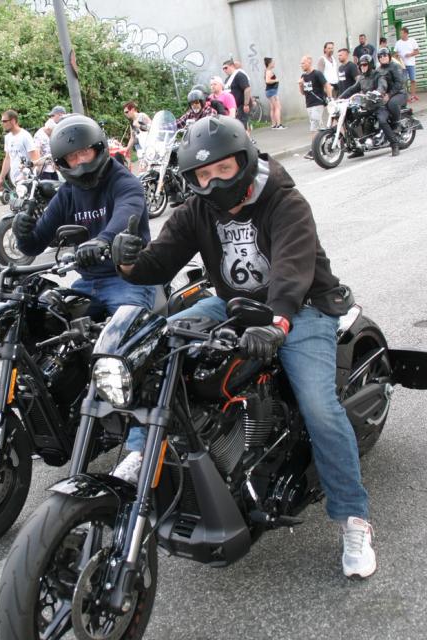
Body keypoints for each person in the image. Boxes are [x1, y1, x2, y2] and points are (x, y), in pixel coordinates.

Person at [111, 115, 377, 580]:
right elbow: (160, 262)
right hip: (231, 302)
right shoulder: (197, 209)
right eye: (202, 174)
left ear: (244, 161)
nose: (213, 182)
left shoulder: (284, 200)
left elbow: (292, 270)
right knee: (156, 347)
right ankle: (139, 453)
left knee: (319, 406)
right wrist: (129, 261)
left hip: (301, 307)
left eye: (223, 169)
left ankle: (353, 518)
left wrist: (277, 322)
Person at [12, 114, 156, 479]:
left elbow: (126, 217)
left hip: (131, 280)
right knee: (45, 327)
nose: (80, 162)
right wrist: (23, 230)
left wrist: (103, 241)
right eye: (71, 158)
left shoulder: (124, 183)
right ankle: (61, 419)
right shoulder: (67, 194)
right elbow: (34, 243)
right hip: (87, 283)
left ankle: (141, 448)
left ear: (99, 149)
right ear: (61, 163)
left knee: (131, 351)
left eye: (85, 153)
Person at [339, 54, 384, 158]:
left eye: (365, 65)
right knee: (350, 119)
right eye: (361, 65)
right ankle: (358, 148)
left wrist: (377, 92)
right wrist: (340, 98)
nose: (362, 67)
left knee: (382, 121)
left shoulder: (377, 75)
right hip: (366, 104)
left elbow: (382, 86)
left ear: (370, 65)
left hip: (376, 104)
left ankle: (394, 144)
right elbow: (352, 89)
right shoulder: (361, 78)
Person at [0, 109, 40, 191]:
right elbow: (7, 158)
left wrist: (25, 176)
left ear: (13, 121)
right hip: (15, 180)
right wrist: (1, 178)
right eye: (2, 121)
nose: (2, 124)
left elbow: (35, 159)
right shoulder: (8, 138)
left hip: (27, 180)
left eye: (4, 121)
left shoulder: (25, 136)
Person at [375, 47, 408, 157]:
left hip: (399, 93)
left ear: (389, 56)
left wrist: (389, 94)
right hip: (384, 96)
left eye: (385, 55)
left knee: (392, 103)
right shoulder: (378, 70)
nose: (383, 57)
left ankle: (396, 124)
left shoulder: (395, 66)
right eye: (380, 56)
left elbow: (399, 83)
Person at [299, 56, 332, 160]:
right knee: (319, 127)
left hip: (318, 103)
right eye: (301, 63)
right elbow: (303, 93)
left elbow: (327, 85)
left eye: (303, 63)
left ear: (309, 62)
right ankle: (325, 145)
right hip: (309, 104)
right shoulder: (303, 76)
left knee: (314, 127)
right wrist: (300, 84)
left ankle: (313, 150)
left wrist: (330, 98)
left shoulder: (317, 73)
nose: (301, 65)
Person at [222, 58, 252, 131]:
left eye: (226, 68)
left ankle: (246, 137)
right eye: (223, 69)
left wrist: (246, 104)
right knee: (237, 125)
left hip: (242, 105)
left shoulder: (239, 75)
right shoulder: (227, 79)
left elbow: (247, 89)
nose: (224, 70)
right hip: (233, 107)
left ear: (232, 66)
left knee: (243, 125)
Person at [394, 27, 419, 102]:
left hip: (411, 63)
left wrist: (410, 54)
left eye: (402, 33)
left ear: (406, 33)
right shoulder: (398, 43)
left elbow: (417, 51)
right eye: (400, 33)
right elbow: (395, 54)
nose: (400, 34)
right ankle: (406, 96)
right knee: (403, 81)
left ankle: (413, 95)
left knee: (413, 80)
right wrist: (397, 56)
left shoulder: (412, 41)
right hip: (402, 65)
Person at [263, 58, 284, 129]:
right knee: (278, 107)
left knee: (273, 108)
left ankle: (274, 124)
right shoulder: (269, 71)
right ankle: (279, 125)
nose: (274, 63)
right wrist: (276, 80)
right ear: (269, 63)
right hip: (272, 92)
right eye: (273, 62)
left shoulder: (267, 71)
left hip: (270, 91)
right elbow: (267, 81)